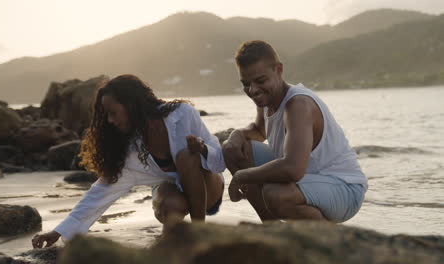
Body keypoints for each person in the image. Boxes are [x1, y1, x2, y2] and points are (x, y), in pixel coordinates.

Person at [32, 74, 225, 248]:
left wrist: (202, 149)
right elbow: (100, 193)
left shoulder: (183, 114)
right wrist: (58, 231)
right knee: (172, 202)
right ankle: (169, 247)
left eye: (113, 112)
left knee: (187, 156)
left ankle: (199, 235)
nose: (109, 120)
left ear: (132, 105)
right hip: (171, 195)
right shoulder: (131, 152)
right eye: (106, 114)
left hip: (208, 191)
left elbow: (219, 163)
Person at [223, 40, 367, 223]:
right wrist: (237, 134)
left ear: (279, 70)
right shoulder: (267, 99)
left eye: (260, 81)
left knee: (276, 194)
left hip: (344, 188)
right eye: (246, 84)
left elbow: (293, 169)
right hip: (309, 181)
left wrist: (241, 176)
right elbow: (259, 130)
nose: (253, 91)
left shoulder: (298, 105)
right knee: (233, 149)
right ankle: (272, 230)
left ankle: (332, 239)